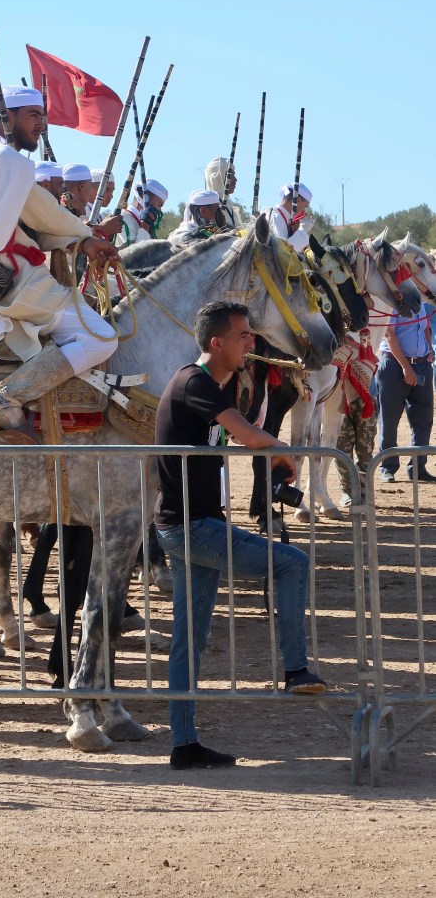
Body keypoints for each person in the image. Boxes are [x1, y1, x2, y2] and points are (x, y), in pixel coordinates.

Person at [154, 300, 326, 770]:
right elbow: (250, 436)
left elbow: (244, 436)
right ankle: (294, 670)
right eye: (244, 335)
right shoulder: (195, 382)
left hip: (189, 525)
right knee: (293, 562)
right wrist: (283, 453)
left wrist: (273, 452)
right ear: (218, 343)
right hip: (193, 527)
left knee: (190, 640)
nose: (252, 342)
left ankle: (185, 745)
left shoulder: (206, 384)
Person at [0, 85, 119, 430]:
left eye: (43, 116)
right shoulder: (9, 161)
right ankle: (9, 394)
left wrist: (82, 239)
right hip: (10, 282)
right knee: (101, 338)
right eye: (33, 115)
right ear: (7, 117)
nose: (41, 124)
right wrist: (87, 237)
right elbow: (43, 211)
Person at [376, 304, 435, 482]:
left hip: (422, 364)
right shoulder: (391, 301)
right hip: (395, 366)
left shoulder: (419, 301)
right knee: (389, 418)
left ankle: (418, 468)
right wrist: (406, 367)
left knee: (423, 420)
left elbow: (425, 327)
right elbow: (389, 333)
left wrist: (429, 349)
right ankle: (388, 467)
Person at [116, 178, 168, 248]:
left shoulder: (143, 221)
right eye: (159, 205)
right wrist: (144, 228)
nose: (159, 209)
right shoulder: (123, 219)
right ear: (145, 197)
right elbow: (132, 253)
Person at [264, 183, 315, 251]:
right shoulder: (275, 218)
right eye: (305, 206)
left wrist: (295, 232)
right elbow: (281, 252)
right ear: (297, 200)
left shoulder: (282, 218)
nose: (304, 210)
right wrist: (302, 231)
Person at [204, 157, 239, 227]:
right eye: (230, 174)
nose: (235, 179)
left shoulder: (230, 207)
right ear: (218, 177)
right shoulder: (210, 207)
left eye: (234, 174)